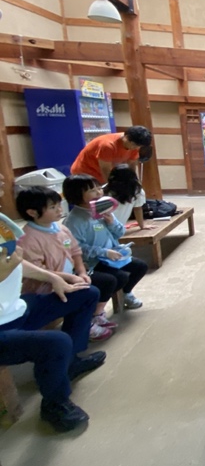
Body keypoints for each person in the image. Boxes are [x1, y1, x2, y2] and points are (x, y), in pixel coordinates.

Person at [0, 173, 105, 433]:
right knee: (55, 342)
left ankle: (71, 362)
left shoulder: (2, 223)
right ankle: (55, 404)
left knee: (86, 293)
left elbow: (16, 261)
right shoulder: (29, 234)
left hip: (15, 308)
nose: (2, 181)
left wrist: (56, 278)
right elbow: (9, 265)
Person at [16, 187, 115, 341]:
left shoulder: (61, 228)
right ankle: (82, 329)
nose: (59, 210)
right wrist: (70, 278)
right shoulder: (28, 238)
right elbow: (38, 271)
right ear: (32, 212)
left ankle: (90, 320)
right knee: (87, 292)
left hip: (70, 276)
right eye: (52, 207)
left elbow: (75, 251)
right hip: (45, 288)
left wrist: (81, 272)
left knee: (105, 281)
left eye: (58, 205)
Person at [63, 174, 147, 311]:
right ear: (77, 194)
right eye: (92, 190)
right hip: (93, 262)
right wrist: (104, 252)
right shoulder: (74, 220)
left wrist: (112, 222)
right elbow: (76, 248)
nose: (98, 192)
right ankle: (97, 312)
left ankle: (126, 293)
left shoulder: (103, 208)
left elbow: (120, 232)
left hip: (112, 256)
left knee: (140, 266)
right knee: (118, 278)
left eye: (99, 188)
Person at [70, 125, 152, 183]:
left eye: (139, 146)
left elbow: (132, 165)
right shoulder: (108, 145)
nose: (136, 148)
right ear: (126, 137)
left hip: (101, 174)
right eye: (134, 145)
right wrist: (111, 188)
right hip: (84, 173)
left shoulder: (135, 146)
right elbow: (105, 169)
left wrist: (134, 182)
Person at [105, 164, 146, 230]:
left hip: (111, 227)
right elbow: (138, 209)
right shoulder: (138, 191)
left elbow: (138, 208)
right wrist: (142, 226)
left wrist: (142, 226)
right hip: (108, 227)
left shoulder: (137, 191)